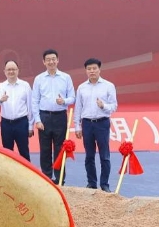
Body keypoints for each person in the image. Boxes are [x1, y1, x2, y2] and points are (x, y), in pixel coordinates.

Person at [31, 49, 75, 185]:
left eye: (53, 59)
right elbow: (35, 101)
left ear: (58, 60)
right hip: (44, 116)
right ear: (44, 62)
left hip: (60, 117)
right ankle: (46, 178)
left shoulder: (66, 77)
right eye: (48, 59)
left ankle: (60, 177)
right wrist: (37, 120)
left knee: (60, 149)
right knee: (45, 149)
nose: (51, 62)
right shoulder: (39, 78)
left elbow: (72, 97)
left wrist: (64, 102)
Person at [74, 58, 118, 192]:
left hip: (102, 123)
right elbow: (78, 108)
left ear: (99, 69)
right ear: (85, 71)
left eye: (94, 68)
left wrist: (103, 105)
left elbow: (114, 106)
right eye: (89, 69)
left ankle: (104, 185)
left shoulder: (108, 86)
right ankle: (91, 183)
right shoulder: (82, 87)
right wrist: (77, 126)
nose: (92, 71)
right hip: (87, 124)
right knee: (89, 156)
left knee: (104, 156)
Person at [0, 60, 34, 161]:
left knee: (24, 150)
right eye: (8, 69)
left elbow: (30, 106)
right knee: (7, 152)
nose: (11, 72)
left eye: (13, 69)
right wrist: (1, 99)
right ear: (4, 71)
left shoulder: (25, 85)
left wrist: (30, 126)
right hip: (6, 123)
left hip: (21, 122)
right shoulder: (1, 86)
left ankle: (26, 174)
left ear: (18, 70)